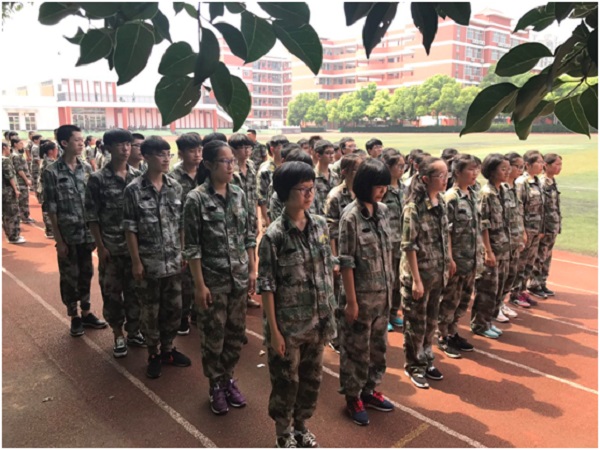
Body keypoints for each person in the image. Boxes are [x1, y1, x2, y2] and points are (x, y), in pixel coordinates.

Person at [258, 161, 335, 448]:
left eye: (312, 188)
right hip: (288, 327)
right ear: (284, 193)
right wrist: (274, 332)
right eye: (302, 189)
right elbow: (267, 286)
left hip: (318, 321)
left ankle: (302, 426)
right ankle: (283, 433)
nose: (309, 194)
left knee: (311, 380)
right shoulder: (274, 236)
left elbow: (325, 269)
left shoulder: (320, 225)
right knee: (286, 383)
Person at [183, 140, 256, 415]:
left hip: (238, 278)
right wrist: (199, 285)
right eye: (225, 161)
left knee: (235, 335)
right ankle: (215, 384)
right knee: (214, 336)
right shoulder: (196, 199)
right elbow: (192, 247)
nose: (230, 166)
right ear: (209, 164)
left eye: (232, 161)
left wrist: (252, 269)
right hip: (212, 281)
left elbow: (248, 235)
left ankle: (228, 378)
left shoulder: (239, 194)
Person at [123, 136, 191, 379]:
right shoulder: (133, 190)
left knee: (174, 309)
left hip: (173, 261)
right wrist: (136, 261)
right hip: (149, 263)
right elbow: (130, 228)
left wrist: (182, 251)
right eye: (160, 154)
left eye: (167, 154)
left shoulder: (175, 187)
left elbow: (180, 223)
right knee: (150, 311)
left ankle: (168, 349)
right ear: (146, 156)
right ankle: (153, 353)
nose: (165, 159)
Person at [338, 158, 395, 425]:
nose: (383, 190)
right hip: (360, 297)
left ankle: (369, 391)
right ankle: (353, 396)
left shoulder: (383, 211)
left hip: (383, 296)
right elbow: (346, 262)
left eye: (385, 185)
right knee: (356, 351)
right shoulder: (350, 216)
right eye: (378, 185)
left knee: (378, 349)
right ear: (364, 184)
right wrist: (351, 302)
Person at [85, 128, 146, 358]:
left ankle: (134, 331)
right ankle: (118, 334)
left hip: (134, 249)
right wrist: (100, 247)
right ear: (108, 148)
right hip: (111, 248)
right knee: (112, 294)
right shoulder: (98, 179)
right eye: (120, 144)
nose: (125, 148)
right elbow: (92, 216)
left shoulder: (138, 176)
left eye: (128, 144)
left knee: (135, 293)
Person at [42, 125, 107, 336]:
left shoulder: (86, 168)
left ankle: (86, 312)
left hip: (86, 233)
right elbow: (51, 208)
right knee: (70, 277)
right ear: (64, 143)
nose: (81, 143)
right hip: (67, 235)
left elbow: (93, 203)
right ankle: (74, 316)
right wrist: (59, 240)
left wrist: (96, 234)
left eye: (82, 139)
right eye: (77, 140)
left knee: (86, 273)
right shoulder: (51, 172)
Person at [400, 156, 452, 389]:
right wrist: (416, 280)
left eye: (446, 174)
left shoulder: (441, 202)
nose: (445, 179)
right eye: (440, 175)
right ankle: (414, 365)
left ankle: (427, 358)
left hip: (437, 274)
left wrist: (449, 260)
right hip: (419, 276)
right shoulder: (414, 208)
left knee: (431, 322)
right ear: (425, 179)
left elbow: (445, 234)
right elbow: (409, 246)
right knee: (416, 324)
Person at [437, 154, 480, 358]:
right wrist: (449, 258)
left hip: (471, 259)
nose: (475, 173)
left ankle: (453, 332)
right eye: (470, 169)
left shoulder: (472, 195)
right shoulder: (450, 198)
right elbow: (446, 231)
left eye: (476, 169)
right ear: (457, 172)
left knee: (463, 300)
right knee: (449, 300)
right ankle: (442, 335)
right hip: (457, 260)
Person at [324, 153, 365, 353]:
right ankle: (336, 336)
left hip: (359, 251)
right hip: (341, 252)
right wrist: (334, 259)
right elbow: (330, 230)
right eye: (357, 170)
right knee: (340, 296)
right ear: (345, 172)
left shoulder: (362, 193)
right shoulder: (336, 196)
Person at [471, 154, 511, 340]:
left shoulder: (503, 190)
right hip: (491, 249)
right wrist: (487, 251)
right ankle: (480, 324)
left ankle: (488, 321)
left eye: (508, 168)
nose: (507, 172)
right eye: (503, 169)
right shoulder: (486, 194)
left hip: (503, 248)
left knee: (498, 288)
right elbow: (482, 225)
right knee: (487, 290)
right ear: (492, 171)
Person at [169, 133, 203, 333]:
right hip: (180, 235)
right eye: (192, 151)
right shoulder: (172, 178)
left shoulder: (205, 173)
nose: (197, 154)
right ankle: (183, 315)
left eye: (199, 150)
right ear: (181, 153)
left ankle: (198, 313)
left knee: (201, 275)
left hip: (203, 232)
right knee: (183, 279)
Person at [229, 132, 261, 309]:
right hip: (235, 219)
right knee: (237, 256)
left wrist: (256, 218)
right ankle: (237, 294)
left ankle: (248, 293)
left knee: (251, 252)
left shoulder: (252, 167)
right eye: (242, 147)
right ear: (233, 150)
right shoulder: (230, 170)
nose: (246, 151)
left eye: (248, 147)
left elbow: (254, 194)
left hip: (250, 216)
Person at [510, 150, 545, 307]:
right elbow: (519, 209)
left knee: (529, 262)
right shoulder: (521, 182)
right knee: (520, 263)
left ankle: (522, 290)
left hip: (535, 230)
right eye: (538, 162)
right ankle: (515, 293)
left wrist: (541, 229)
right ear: (528, 164)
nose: (542, 165)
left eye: (542, 162)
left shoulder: (536, 181)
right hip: (526, 230)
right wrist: (522, 231)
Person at [528, 153, 562, 298]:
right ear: (546, 166)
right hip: (544, 226)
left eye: (560, 164)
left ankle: (542, 282)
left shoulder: (552, 181)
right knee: (539, 256)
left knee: (547, 255)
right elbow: (539, 207)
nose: (559, 167)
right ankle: (534, 284)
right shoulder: (542, 183)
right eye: (556, 164)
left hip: (552, 226)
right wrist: (541, 228)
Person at [381, 148, 406, 332]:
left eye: (404, 166)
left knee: (399, 280)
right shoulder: (382, 189)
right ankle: (384, 315)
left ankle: (394, 311)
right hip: (387, 242)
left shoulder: (405, 188)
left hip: (403, 242)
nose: (402, 169)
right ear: (388, 167)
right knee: (387, 280)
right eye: (399, 166)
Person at [498, 152, 526, 316]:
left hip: (514, 238)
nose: (520, 170)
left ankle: (501, 302)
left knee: (511, 274)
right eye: (518, 166)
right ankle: (495, 307)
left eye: (522, 167)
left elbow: (518, 213)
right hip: (502, 241)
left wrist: (522, 233)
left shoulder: (515, 187)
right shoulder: (500, 189)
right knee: (500, 277)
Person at [257, 135, 288, 229]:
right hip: (272, 214)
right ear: (272, 149)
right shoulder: (266, 170)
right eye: (280, 147)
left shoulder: (288, 167)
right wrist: (266, 220)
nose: (284, 150)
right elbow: (262, 198)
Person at [2, 141, 25, 244]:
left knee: (5, 214)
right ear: (3, 148)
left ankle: (9, 234)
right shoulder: (5, 160)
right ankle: (13, 236)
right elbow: (10, 176)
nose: (9, 149)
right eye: (8, 147)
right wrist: (16, 189)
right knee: (12, 213)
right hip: (8, 191)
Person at [36, 141, 59, 239]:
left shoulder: (47, 161)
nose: (57, 151)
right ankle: (50, 231)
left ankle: (50, 230)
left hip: (46, 188)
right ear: (50, 151)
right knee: (48, 209)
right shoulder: (49, 163)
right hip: (48, 189)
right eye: (56, 149)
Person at [313, 139, 340, 215]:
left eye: (332, 153)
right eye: (327, 153)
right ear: (318, 155)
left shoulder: (335, 176)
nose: (331, 156)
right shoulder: (312, 177)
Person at [10, 138, 34, 223]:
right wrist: (26, 179)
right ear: (15, 144)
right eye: (20, 143)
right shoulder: (15, 156)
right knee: (23, 200)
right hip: (21, 181)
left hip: (21, 180)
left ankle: (23, 216)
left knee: (22, 199)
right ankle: (25, 217)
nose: (22, 145)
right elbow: (19, 170)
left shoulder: (17, 154)